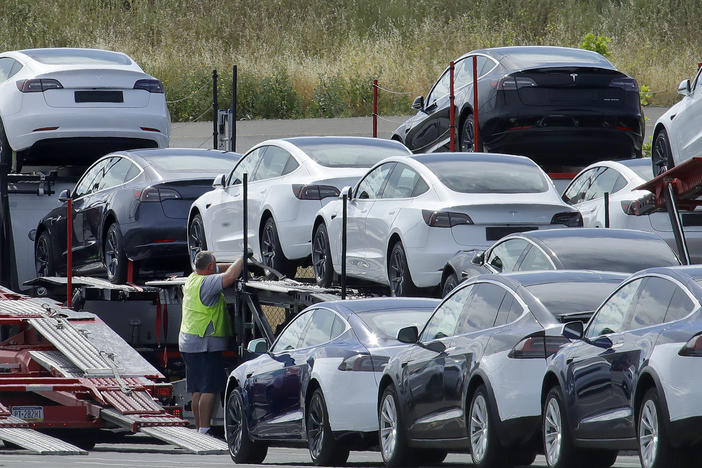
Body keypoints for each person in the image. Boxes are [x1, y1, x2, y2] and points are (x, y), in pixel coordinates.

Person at [179, 250, 244, 436]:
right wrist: (242, 258)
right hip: (205, 343)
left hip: (189, 342)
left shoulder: (192, 278)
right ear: (208, 268)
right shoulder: (207, 283)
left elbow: (221, 269)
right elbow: (230, 275)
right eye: (213, 266)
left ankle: (200, 429)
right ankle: (206, 429)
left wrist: (236, 265)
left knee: (197, 389)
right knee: (210, 388)